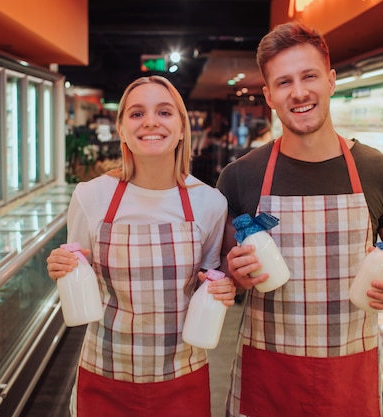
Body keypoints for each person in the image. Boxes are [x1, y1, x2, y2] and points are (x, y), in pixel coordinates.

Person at [217, 22, 383, 417]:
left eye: (309, 76)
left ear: (331, 81)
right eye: (283, 82)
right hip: (269, 378)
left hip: (349, 375)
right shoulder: (239, 177)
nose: (298, 92)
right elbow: (223, 273)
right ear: (268, 96)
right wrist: (235, 276)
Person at [46, 75, 236, 417]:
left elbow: (210, 282)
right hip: (105, 373)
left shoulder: (210, 202)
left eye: (164, 112)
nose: (150, 121)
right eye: (136, 114)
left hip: (182, 375)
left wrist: (222, 287)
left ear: (181, 128)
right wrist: (62, 267)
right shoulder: (90, 196)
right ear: (121, 129)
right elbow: (77, 274)